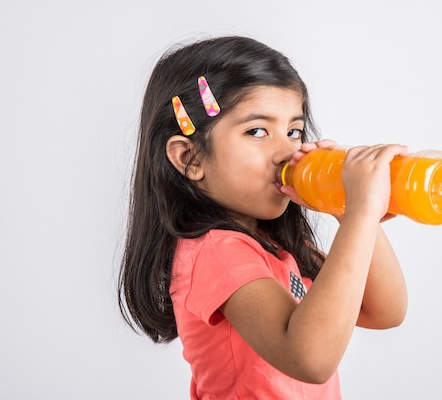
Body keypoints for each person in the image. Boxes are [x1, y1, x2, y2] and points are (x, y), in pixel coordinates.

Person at [118, 35, 408, 399]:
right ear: (190, 159)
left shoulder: (278, 247)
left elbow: (384, 311)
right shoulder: (216, 253)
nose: (286, 151)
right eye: (257, 131)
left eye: (293, 131)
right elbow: (310, 359)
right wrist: (362, 217)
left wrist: (346, 208)